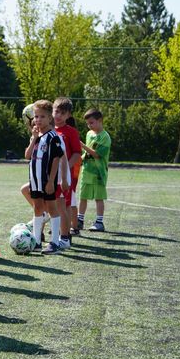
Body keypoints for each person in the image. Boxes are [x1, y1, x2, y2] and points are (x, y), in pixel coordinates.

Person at [25, 100, 65, 255]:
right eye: (36, 116)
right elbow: (27, 156)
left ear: (50, 118)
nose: (38, 120)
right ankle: (36, 241)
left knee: (52, 208)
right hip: (34, 179)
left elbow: (56, 159)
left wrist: (51, 181)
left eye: (42, 116)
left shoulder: (53, 137)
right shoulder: (36, 136)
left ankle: (55, 242)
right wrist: (33, 138)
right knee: (38, 208)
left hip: (47, 180)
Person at [53, 97, 82, 245]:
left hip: (64, 176)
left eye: (62, 113)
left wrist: (66, 168)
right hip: (49, 175)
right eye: (56, 111)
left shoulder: (71, 132)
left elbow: (77, 153)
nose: (58, 115)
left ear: (68, 115)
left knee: (65, 205)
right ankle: (51, 228)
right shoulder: (48, 129)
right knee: (50, 204)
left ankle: (65, 236)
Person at [78, 108, 111, 232]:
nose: (89, 126)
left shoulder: (105, 137)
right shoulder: (89, 134)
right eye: (87, 123)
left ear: (100, 120)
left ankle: (99, 222)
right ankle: (79, 221)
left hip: (98, 173)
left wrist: (82, 145)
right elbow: (87, 153)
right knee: (83, 196)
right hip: (87, 171)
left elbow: (97, 154)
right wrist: (80, 158)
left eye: (91, 123)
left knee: (98, 198)